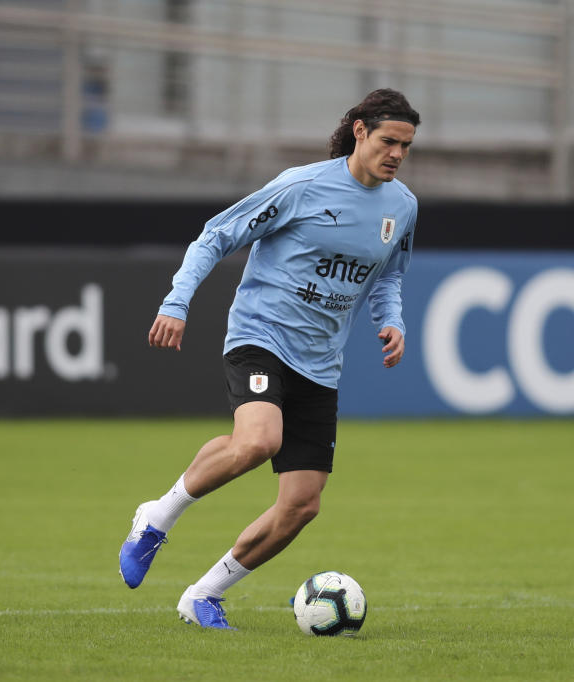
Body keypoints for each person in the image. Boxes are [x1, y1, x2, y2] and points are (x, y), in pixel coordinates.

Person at [119, 88, 420, 630]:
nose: (396, 154)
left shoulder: (402, 207)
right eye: (388, 141)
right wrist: (176, 301)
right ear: (359, 132)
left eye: (406, 145)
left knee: (302, 505)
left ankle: (203, 596)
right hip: (262, 336)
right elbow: (217, 235)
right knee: (258, 441)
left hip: (321, 363)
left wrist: (391, 320)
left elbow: (390, 275)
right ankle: (157, 516)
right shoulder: (302, 186)